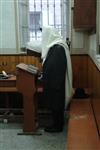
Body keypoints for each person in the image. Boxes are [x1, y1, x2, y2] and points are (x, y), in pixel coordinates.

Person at [40, 26, 73, 132]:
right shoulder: (55, 46)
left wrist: (52, 83)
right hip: (55, 83)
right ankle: (57, 123)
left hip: (56, 84)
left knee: (57, 105)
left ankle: (57, 126)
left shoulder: (58, 48)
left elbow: (57, 68)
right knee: (56, 105)